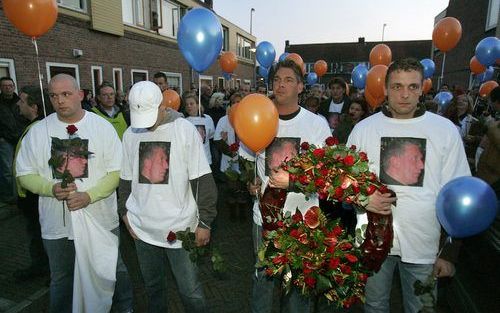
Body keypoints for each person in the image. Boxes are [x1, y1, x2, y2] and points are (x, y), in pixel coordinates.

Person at [347, 58, 470, 313]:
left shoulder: (445, 131)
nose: (404, 94)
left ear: (423, 88)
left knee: (422, 309)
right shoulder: (363, 130)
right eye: (397, 86)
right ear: (385, 89)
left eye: (412, 87)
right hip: (373, 242)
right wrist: (361, 198)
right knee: (374, 306)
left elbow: (460, 194)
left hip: (424, 246)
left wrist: (450, 252)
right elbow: (344, 181)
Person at [15, 74, 133, 313]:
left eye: (66, 94)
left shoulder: (102, 128)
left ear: (80, 95)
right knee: (61, 277)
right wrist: (50, 188)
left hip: (99, 216)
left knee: (111, 268)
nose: (59, 100)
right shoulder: (38, 131)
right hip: (56, 223)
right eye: (53, 95)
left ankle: (126, 308)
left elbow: (117, 171)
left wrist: (90, 195)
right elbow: (23, 173)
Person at [242, 59, 331, 313]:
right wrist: (252, 180)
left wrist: (292, 181)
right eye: (277, 80)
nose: (281, 85)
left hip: (303, 220)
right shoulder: (257, 115)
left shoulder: (316, 125)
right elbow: (249, 159)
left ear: (301, 87)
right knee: (263, 283)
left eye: (289, 80)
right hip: (265, 219)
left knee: (299, 288)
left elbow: (326, 176)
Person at [119, 81, 217, 313]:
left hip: (180, 228)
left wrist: (205, 222)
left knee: (190, 292)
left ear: (163, 106)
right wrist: (125, 216)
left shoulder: (183, 129)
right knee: (153, 288)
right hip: (142, 229)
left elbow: (202, 179)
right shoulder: (130, 135)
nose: (146, 124)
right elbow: (124, 181)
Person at [13, 86, 53, 281]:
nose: (18, 104)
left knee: (40, 234)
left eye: (22, 100)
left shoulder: (38, 130)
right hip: (29, 194)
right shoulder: (32, 127)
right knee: (35, 234)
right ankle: (42, 267)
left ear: (34, 106)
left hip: (35, 196)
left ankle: (49, 270)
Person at [0, 76, 27, 209]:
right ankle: (10, 197)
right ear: (1, 87)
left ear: (14, 87)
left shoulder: (20, 102)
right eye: (4, 86)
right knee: (7, 170)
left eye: (10, 85)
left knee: (22, 166)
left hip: (21, 138)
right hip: (5, 140)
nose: (8, 88)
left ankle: (22, 194)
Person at [183, 93, 216, 165]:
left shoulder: (208, 119)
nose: (189, 106)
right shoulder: (183, 121)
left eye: (191, 104)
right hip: (190, 162)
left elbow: (211, 137)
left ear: (198, 105)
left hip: (206, 160)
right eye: (187, 104)